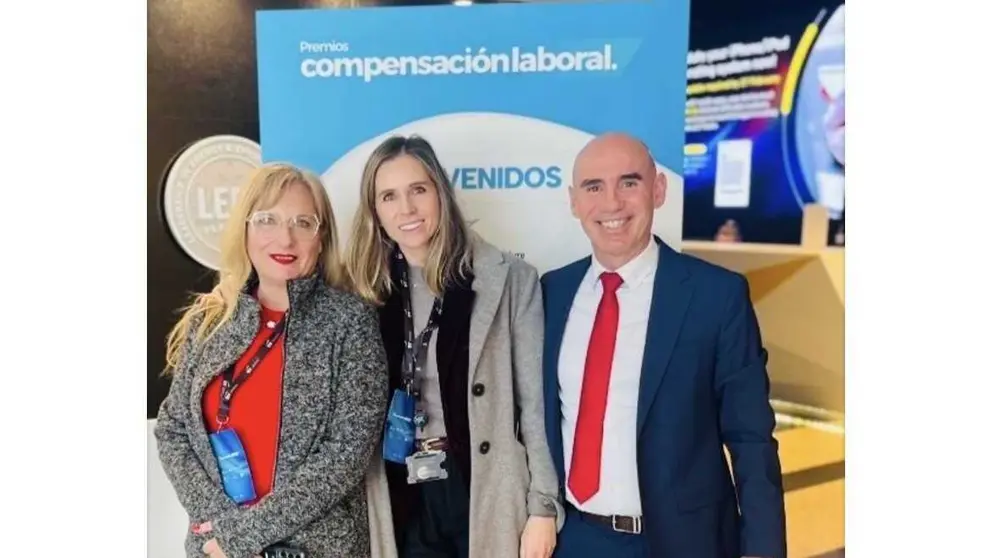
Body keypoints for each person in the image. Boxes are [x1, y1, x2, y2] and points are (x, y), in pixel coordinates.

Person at [541, 133, 786, 558]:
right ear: (574, 202)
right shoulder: (550, 292)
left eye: (629, 182)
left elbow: (752, 439)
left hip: (681, 544)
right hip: (574, 539)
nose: (612, 203)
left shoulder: (716, 296)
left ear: (658, 190)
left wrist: (763, 549)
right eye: (593, 187)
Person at [154, 163, 389, 558]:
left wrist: (243, 536)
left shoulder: (351, 323)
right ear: (244, 229)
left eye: (303, 222)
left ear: (322, 236)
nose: (286, 237)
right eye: (267, 219)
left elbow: (344, 457)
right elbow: (173, 430)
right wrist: (219, 524)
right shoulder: (209, 321)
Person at [348, 135, 563, 558]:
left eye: (418, 190)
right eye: (388, 196)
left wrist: (543, 507)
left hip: (483, 489)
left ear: (441, 193)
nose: (406, 209)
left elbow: (534, 406)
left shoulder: (510, 280)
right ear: (375, 211)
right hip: (401, 491)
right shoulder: (363, 292)